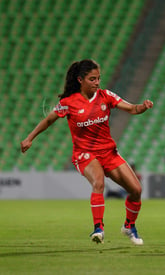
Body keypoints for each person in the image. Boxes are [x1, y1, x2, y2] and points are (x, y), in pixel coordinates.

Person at [20, 59, 153, 245]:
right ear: (80, 80)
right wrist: (29, 138)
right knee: (98, 183)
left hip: (108, 152)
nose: (97, 82)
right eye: (92, 79)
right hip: (85, 154)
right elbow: (49, 120)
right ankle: (98, 228)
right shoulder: (68, 102)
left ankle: (129, 226)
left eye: (98, 78)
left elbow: (131, 108)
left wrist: (142, 107)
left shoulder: (106, 96)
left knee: (136, 190)